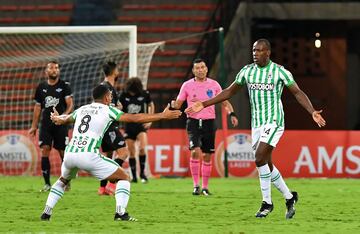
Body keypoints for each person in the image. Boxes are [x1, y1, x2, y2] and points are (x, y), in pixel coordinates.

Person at [186, 39, 326, 219]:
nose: (255, 53)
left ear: (268, 52)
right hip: (257, 124)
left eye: (259, 50)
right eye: (253, 50)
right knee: (266, 162)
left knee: (259, 157)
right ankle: (289, 197)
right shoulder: (247, 71)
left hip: (274, 121)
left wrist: (312, 111)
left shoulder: (279, 71)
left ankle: (267, 203)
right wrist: (204, 104)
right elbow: (229, 91)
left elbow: (297, 92)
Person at [40, 83, 182, 221]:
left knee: (63, 180)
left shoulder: (82, 109)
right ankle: (120, 213)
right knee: (124, 177)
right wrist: (162, 115)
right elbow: (134, 118)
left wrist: (57, 118)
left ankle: (46, 212)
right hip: (88, 155)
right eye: (110, 96)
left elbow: (66, 119)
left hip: (70, 154)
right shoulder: (108, 110)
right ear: (107, 97)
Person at [171, 58, 238, 196]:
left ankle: (205, 187)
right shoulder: (187, 85)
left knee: (207, 155)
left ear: (206, 69)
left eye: (202, 67)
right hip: (193, 122)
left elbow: (224, 101)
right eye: (197, 68)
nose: (200, 70)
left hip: (209, 122)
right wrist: (172, 105)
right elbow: (178, 104)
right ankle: (196, 186)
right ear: (193, 70)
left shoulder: (214, 85)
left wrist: (232, 113)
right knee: (195, 151)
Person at [28, 61, 74, 192]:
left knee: (63, 153)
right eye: (51, 68)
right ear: (46, 72)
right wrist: (33, 126)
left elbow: (70, 104)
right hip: (46, 125)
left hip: (61, 125)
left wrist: (63, 117)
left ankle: (66, 182)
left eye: (56, 68)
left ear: (58, 71)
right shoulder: (41, 87)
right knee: (45, 150)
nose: (54, 70)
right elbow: (37, 108)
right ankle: (47, 184)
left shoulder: (65, 86)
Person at [97, 61, 129, 195]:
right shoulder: (106, 88)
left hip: (105, 126)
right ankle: (111, 183)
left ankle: (102, 188)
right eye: (117, 69)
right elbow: (104, 108)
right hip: (109, 126)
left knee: (109, 156)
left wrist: (118, 106)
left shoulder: (107, 87)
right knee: (123, 153)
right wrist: (118, 108)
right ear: (114, 71)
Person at [119, 77, 155, 183]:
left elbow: (151, 104)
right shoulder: (124, 95)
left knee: (142, 149)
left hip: (141, 126)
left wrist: (150, 119)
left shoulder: (144, 93)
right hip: (129, 126)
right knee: (131, 152)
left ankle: (143, 174)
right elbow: (119, 107)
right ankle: (134, 176)